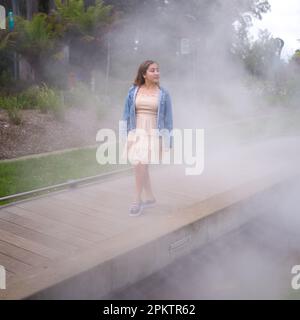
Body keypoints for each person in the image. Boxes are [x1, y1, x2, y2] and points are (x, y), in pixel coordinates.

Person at [121, 60, 173, 217]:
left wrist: (168, 141)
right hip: (136, 132)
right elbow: (125, 115)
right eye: (152, 70)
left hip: (153, 133)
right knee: (141, 166)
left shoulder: (163, 94)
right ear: (144, 74)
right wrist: (124, 136)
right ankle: (150, 197)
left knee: (140, 163)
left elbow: (169, 119)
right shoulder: (133, 91)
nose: (156, 72)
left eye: (158, 70)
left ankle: (137, 200)